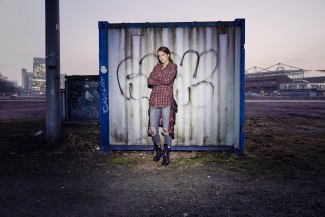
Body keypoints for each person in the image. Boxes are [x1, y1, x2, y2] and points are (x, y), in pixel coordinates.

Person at [147, 46, 177, 166]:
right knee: (152, 129)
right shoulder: (156, 67)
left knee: (166, 129)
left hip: (166, 101)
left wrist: (157, 78)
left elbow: (167, 80)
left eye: (163, 55)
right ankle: (158, 149)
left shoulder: (173, 67)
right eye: (159, 55)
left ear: (168, 54)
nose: (160, 57)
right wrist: (160, 79)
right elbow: (149, 81)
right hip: (154, 101)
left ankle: (166, 153)